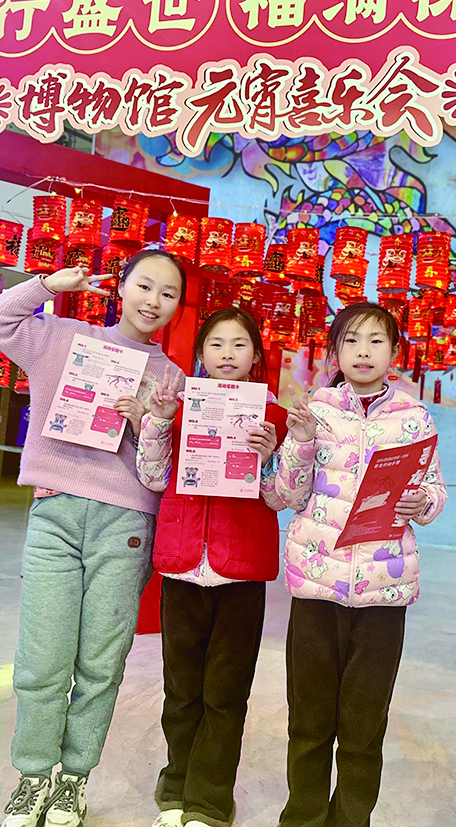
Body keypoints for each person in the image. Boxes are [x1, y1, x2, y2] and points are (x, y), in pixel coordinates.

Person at [0, 251, 186, 827]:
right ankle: (32, 777)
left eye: (168, 293)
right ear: (121, 287)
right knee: (42, 657)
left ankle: (73, 781)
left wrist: (148, 423)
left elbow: (163, 473)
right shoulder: (62, 338)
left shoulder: (171, 378)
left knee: (101, 662)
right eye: (144, 285)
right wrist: (48, 285)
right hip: (55, 515)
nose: (153, 301)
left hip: (127, 526)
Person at [274, 302, 446, 827]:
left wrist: (423, 502)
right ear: (334, 352)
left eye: (376, 340)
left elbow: (433, 491)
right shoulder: (316, 410)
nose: (363, 351)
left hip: (382, 592)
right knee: (309, 720)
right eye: (351, 340)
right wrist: (302, 442)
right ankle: (302, 818)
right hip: (316, 586)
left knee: (364, 725)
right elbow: (286, 494)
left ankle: (352, 819)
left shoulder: (415, 418)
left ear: (395, 352)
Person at [136, 308, 288, 827]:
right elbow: (153, 478)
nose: (227, 354)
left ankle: (210, 800)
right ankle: (177, 783)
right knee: (181, 691)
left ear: (255, 355)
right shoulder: (180, 409)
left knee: (226, 694)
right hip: (182, 566)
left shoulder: (274, 419)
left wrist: (270, 456)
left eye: (239, 344)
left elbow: (280, 496)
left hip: (240, 573)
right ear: (200, 353)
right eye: (216, 344)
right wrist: (158, 422)